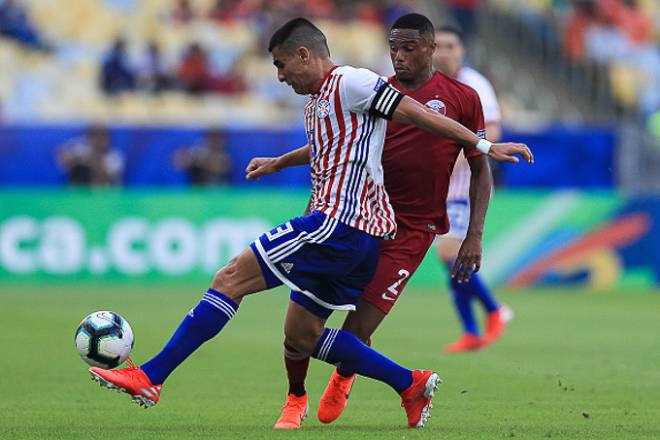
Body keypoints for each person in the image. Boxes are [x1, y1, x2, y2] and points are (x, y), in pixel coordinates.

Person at [87, 17, 531, 429]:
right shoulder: (318, 103)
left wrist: (483, 145)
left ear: (304, 55)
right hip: (355, 230)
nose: (280, 76)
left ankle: (151, 375)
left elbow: (417, 113)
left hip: (339, 225)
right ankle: (410, 383)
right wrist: (279, 162)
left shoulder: (352, 81)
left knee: (229, 278)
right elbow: (331, 150)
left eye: (282, 66)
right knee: (302, 334)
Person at [244, 14, 532, 429]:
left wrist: (474, 234)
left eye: (408, 49)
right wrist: (280, 162)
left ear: (430, 49)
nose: (398, 57)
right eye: (393, 49)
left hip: (412, 231)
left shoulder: (464, 98)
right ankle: (297, 396)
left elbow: (479, 167)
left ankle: (346, 375)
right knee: (303, 322)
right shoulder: (377, 89)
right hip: (358, 217)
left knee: (359, 327)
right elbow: (330, 138)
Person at [433, 25, 512, 353]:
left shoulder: (475, 84)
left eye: (450, 45)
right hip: (440, 186)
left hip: (468, 185)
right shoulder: (427, 87)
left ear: (462, 50)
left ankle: (495, 309)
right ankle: (469, 329)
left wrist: (465, 146)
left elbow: (492, 129)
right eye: (438, 46)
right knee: (450, 261)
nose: (444, 52)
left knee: (448, 253)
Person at [56, 126, 124, 186]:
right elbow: (63, 161)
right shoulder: (82, 148)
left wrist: (93, 159)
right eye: (95, 136)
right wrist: (76, 158)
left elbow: (105, 178)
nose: (99, 140)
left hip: (105, 193)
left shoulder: (114, 156)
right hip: (80, 192)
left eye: (102, 136)